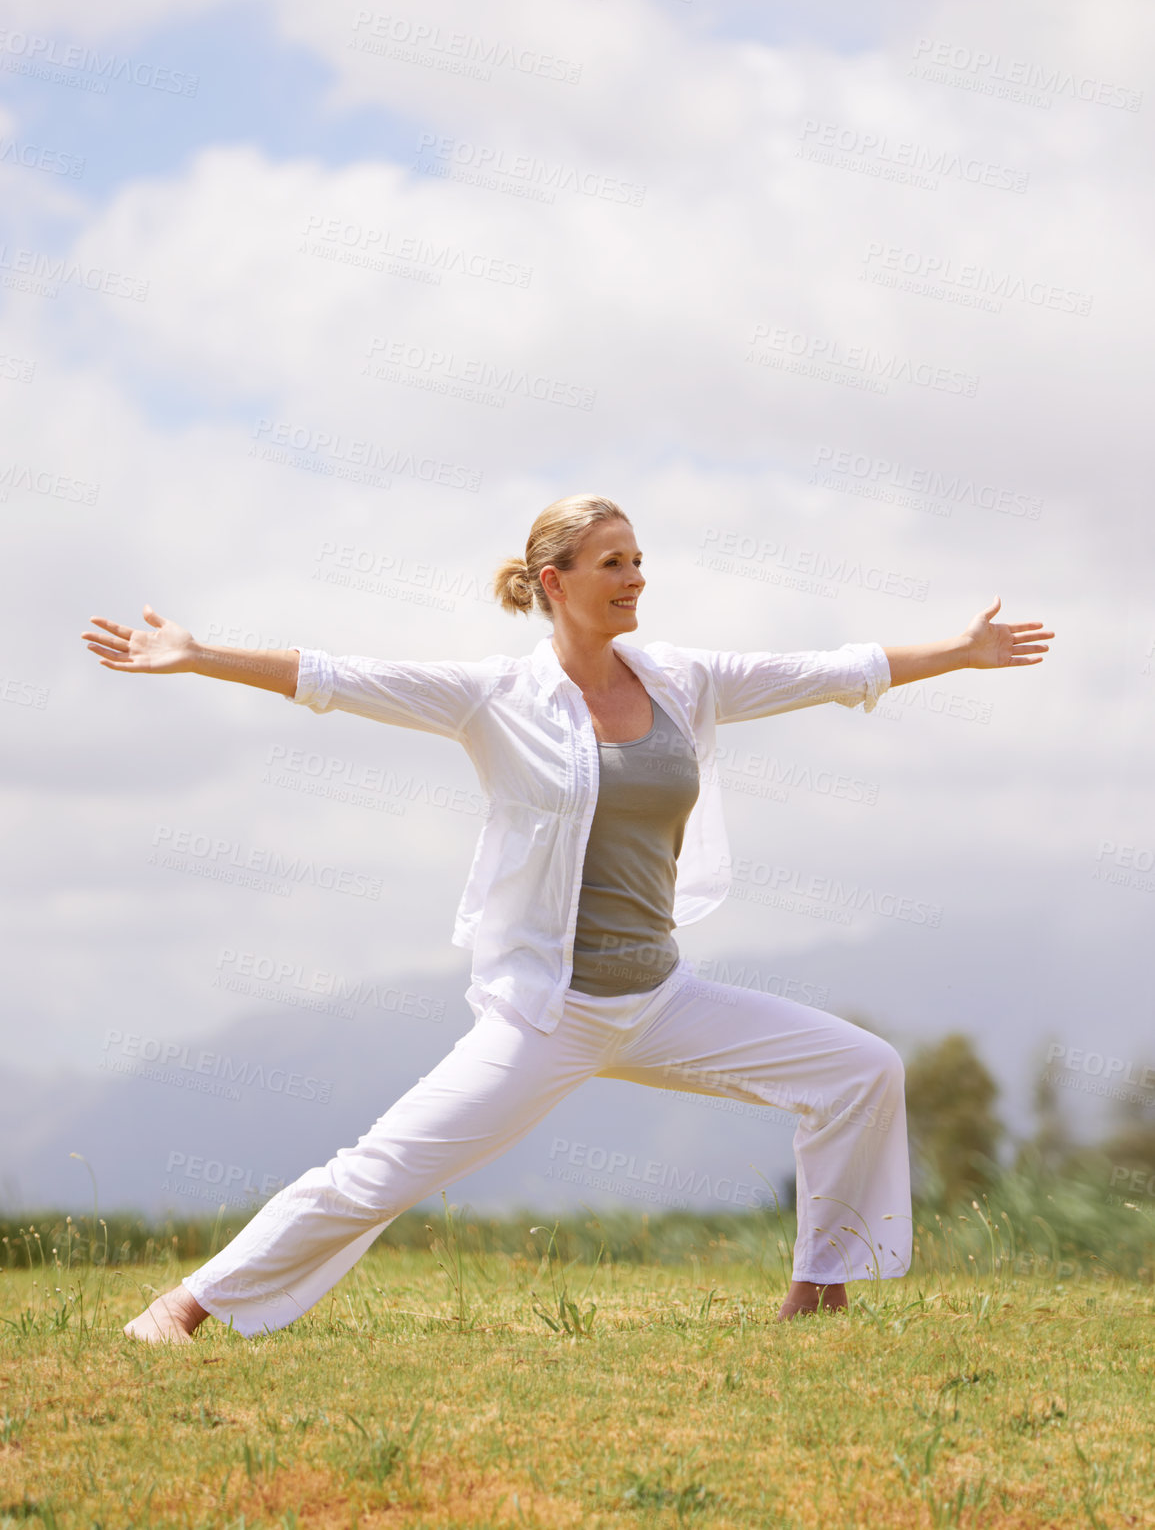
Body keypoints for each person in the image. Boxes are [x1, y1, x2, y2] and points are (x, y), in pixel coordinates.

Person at [81, 494, 1052, 1341]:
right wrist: (197, 653)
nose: (635, 578)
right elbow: (335, 676)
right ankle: (183, 1309)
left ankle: (818, 1296)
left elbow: (833, 671)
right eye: (614, 563)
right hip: (548, 1013)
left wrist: (960, 652)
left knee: (861, 1069)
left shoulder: (680, 679)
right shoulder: (496, 698)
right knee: (377, 1171)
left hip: (660, 998)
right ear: (555, 580)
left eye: (638, 560)